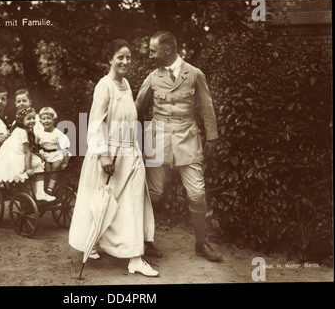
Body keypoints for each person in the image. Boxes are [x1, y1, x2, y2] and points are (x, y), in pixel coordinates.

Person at [69, 39, 158, 277]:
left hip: (130, 153)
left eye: (128, 57)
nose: (125, 61)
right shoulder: (104, 85)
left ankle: (134, 258)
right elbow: (95, 123)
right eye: (120, 57)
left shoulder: (126, 84)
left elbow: (128, 118)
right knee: (101, 204)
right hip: (109, 156)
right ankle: (93, 242)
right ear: (110, 58)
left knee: (133, 203)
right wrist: (104, 155)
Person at [135, 31, 222, 262]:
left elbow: (207, 107)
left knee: (197, 193)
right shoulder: (152, 77)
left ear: (168, 50)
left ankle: (201, 243)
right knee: (153, 193)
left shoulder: (194, 74)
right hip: (158, 139)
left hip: (187, 138)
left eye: (153, 50)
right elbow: (136, 109)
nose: (150, 55)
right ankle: (145, 242)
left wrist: (212, 137)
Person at [0, 106, 55, 202]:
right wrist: (28, 168)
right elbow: (27, 151)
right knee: (38, 163)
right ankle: (40, 193)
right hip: (13, 158)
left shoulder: (17, 129)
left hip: (9, 156)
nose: (32, 121)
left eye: (33, 118)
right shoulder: (23, 132)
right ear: (21, 120)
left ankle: (32, 191)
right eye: (28, 118)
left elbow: (25, 149)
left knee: (36, 159)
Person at [37, 107, 70, 194]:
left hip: (56, 154)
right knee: (47, 169)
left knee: (56, 166)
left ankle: (51, 187)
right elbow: (36, 144)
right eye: (44, 119)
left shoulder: (58, 133)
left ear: (53, 120)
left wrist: (65, 162)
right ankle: (45, 187)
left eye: (49, 118)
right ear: (40, 121)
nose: (46, 121)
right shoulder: (39, 133)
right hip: (45, 154)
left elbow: (64, 148)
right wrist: (39, 154)